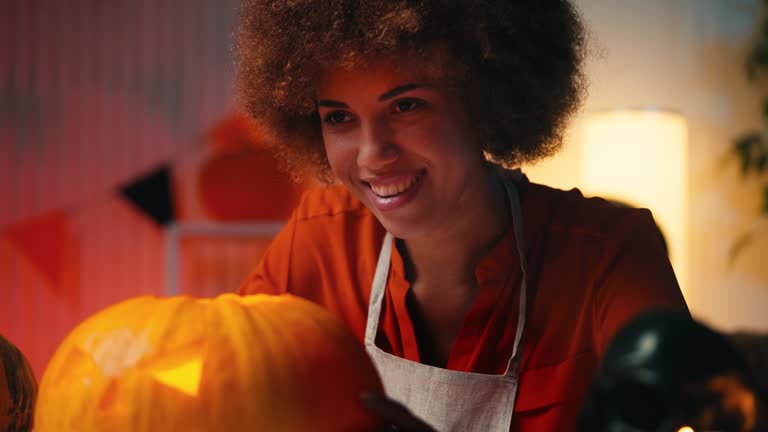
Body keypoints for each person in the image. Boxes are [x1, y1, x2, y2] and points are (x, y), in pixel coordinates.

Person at [235, 1, 689, 430]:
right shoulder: (318, 241)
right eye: (339, 118)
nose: (373, 156)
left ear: (485, 99)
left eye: (406, 106)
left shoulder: (609, 256)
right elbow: (219, 381)